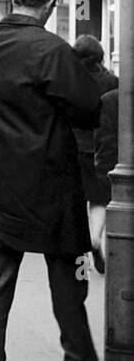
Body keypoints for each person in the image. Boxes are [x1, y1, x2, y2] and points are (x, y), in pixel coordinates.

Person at [0, 0, 125, 361]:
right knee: (68, 274)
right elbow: (87, 108)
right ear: (48, 5)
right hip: (50, 178)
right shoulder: (51, 49)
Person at [73, 35, 119, 275]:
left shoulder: (69, 81)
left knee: (77, 199)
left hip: (74, 148)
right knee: (99, 198)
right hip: (103, 149)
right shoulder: (112, 81)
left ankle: (81, 255)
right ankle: (95, 236)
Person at [94, 86, 121, 274]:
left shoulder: (110, 98)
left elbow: (103, 138)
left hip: (106, 159)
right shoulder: (110, 82)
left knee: (99, 200)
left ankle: (94, 235)